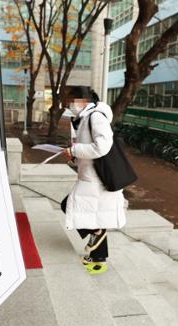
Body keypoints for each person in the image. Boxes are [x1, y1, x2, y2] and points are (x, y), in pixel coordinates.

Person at [60, 86, 126, 275]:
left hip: (97, 178)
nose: (68, 105)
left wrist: (75, 150)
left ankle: (96, 234)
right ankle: (97, 259)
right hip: (91, 176)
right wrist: (74, 156)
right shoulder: (85, 117)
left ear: (83, 100)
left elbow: (103, 146)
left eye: (71, 101)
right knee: (95, 215)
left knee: (70, 206)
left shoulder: (95, 116)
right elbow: (89, 149)